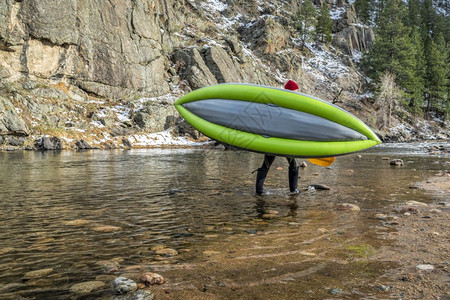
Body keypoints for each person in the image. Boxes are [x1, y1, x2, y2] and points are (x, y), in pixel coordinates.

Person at [255, 80, 300, 195]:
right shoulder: (294, 104)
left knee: (266, 163)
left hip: (272, 139)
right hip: (284, 140)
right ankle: (293, 190)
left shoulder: (277, 102)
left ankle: (259, 191)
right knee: (293, 163)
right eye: (296, 91)